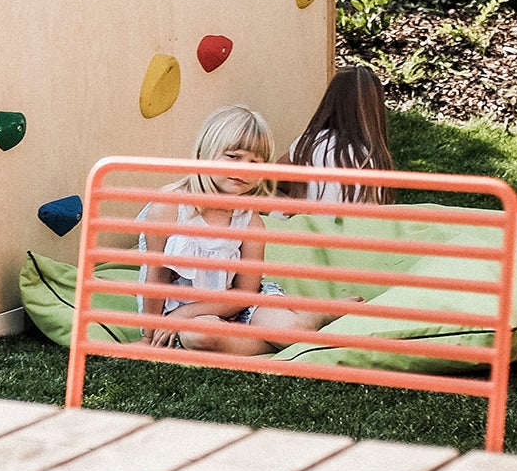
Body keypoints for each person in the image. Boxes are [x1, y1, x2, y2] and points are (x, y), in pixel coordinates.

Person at [138, 105, 360, 353]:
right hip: (187, 317)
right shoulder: (168, 208)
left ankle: (315, 316)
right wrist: (149, 337)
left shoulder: (250, 222)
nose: (244, 168)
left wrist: (186, 313)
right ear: (205, 153)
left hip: (237, 303)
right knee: (199, 336)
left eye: (255, 162)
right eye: (233, 156)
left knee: (293, 331)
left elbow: (246, 292)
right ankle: (273, 339)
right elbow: (156, 276)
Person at [285, 65, 395, 204]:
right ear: (375, 110)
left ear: (331, 100)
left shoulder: (307, 144)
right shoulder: (373, 158)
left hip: (308, 224)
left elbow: (271, 180)